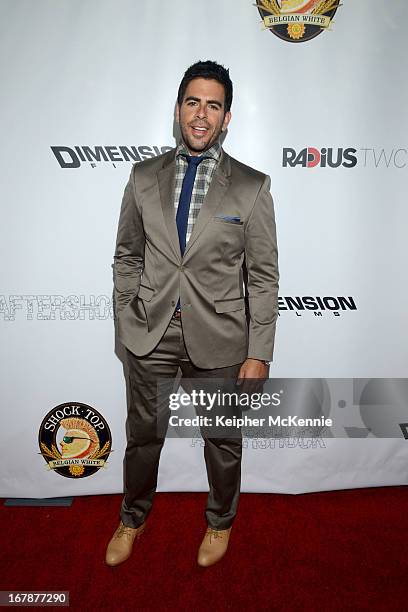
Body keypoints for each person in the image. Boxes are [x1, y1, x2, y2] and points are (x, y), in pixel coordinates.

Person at [106, 60, 279, 568]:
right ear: (178, 108)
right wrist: (126, 313)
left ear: (227, 117)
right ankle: (131, 518)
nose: (201, 115)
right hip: (150, 333)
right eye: (193, 102)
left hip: (221, 340)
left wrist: (259, 351)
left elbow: (263, 277)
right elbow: (127, 255)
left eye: (214, 105)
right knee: (142, 438)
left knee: (223, 441)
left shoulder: (252, 186)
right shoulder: (142, 177)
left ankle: (220, 522)